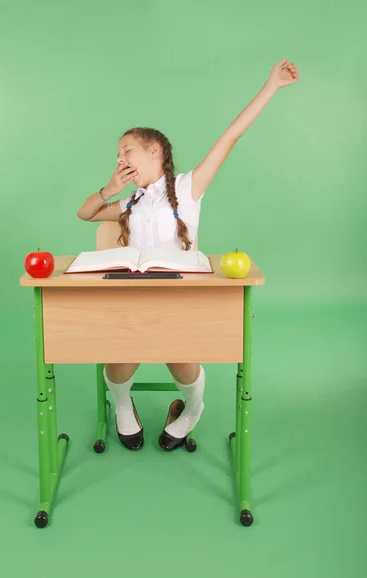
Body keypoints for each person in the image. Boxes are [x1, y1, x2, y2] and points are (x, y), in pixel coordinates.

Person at [77, 59, 299, 451]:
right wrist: (110, 188)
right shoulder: (131, 201)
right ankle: (122, 404)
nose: (120, 159)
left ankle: (193, 408)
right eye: (117, 154)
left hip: (178, 302)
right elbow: (86, 213)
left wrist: (271, 86)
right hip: (132, 301)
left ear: (154, 151)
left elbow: (230, 136)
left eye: (126, 150)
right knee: (119, 360)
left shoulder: (188, 186)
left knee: (181, 361)